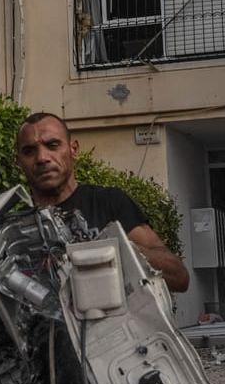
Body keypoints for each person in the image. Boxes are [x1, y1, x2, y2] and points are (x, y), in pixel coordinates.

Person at [15, 112, 189, 292]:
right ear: (18, 162)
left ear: (73, 149)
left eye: (52, 145)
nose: (42, 157)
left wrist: (112, 249)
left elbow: (179, 277)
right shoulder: (14, 230)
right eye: (29, 151)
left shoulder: (109, 202)